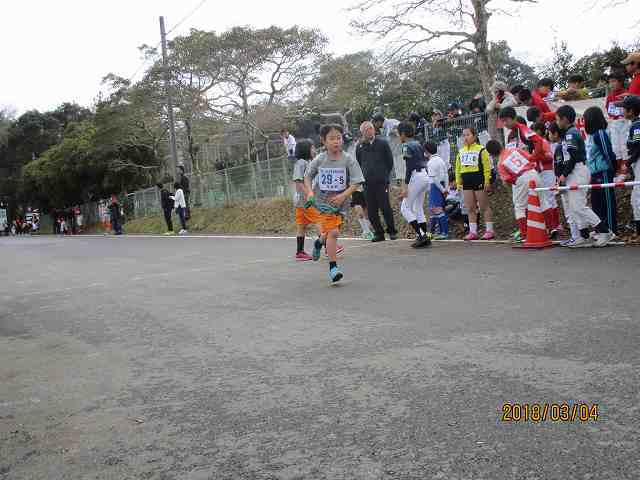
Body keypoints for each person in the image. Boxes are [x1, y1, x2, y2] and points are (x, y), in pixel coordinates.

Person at [303, 124, 365, 283]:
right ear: (324, 141)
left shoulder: (348, 159)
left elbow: (357, 181)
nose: (336, 141)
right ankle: (333, 268)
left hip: (341, 203)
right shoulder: (320, 159)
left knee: (330, 233)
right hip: (322, 203)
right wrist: (310, 192)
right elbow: (307, 177)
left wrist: (343, 195)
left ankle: (319, 242)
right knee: (334, 233)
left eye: (339, 138)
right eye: (332, 138)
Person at [555, 105, 614, 247]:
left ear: (564, 119)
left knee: (579, 206)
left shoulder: (571, 134)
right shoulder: (569, 133)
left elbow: (574, 157)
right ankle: (583, 235)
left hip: (577, 170)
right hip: (573, 171)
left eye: (558, 119)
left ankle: (605, 231)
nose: (557, 122)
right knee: (573, 206)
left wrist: (563, 174)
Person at [499, 106, 559, 236]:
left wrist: (533, 157)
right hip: (516, 172)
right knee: (527, 202)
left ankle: (545, 228)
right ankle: (534, 228)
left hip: (527, 170)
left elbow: (537, 141)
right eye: (502, 122)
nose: (505, 124)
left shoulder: (523, 129)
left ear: (512, 118)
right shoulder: (510, 135)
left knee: (536, 200)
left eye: (505, 121)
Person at [486, 140, 540, 242]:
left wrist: (511, 189)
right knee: (536, 203)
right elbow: (530, 158)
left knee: (519, 207)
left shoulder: (501, 162)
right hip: (533, 173)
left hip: (521, 178)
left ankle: (525, 234)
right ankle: (542, 229)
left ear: (491, 154)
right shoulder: (514, 150)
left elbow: (508, 180)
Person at [355, 121, 397, 242]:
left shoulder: (383, 143)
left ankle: (392, 231)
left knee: (385, 207)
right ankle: (379, 233)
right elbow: (359, 162)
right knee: (371, 209)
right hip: (367, 183)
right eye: (367, 129)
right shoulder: (360, 146)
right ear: (362, 132)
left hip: (381, 182)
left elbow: (389, 161)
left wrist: (384, 175)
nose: (370, 131)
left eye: (371, 128)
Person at [583, 106, 618, 236]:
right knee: (596, 201)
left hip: (603, 172)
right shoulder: (591, 136)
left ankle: (611, 230)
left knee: (607, 201)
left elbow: (608, 152)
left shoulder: (600, 134)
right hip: (594, 173)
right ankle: (601, 229)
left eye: (586, 119)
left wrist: (613, 169)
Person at [455, 127, 494, 240]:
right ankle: (473, 232)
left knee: (484, 206)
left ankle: (489, 230)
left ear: (474, 136)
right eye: (463, 135)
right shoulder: (460, 151)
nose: (465, 137)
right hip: (466, 181)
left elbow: (487, 167)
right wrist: (458, 183)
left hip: (478, 178)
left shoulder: (481, 149)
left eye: (468, 135)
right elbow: (458, 168)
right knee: (470, 207)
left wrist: (487, 181)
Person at [398, 121, 431, 248]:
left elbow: (409, 166)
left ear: (402, 134)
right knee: (418, 208)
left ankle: (422, 235)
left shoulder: (406, 146)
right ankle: (425, 236)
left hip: (415, 176)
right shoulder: (418, 143)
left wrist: (405, 186)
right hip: (424, 175)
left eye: (399, 134)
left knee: (405, 208)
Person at [548, 122, 578, 245]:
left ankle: (577, 235)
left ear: (555, 133)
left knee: (571, 209)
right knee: (569, 209)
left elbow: (563, 165)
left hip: (565, 180)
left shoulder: (561, 147)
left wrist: (560, 179)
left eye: (550, 133)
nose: (548, 135)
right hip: (563, 180)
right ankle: (576, 235)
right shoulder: (560, 146)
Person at [292, 139, 316, 260]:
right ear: (306, 149)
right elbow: (298, 182)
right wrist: (310, 194)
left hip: (301, 200)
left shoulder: (307, 162)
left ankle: (299, 252)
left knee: (302, 226)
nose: (314, 150)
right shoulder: (301, 163)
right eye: (312, 148)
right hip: (305, 200)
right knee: (321, 220)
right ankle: (329, 246)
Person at [622, 95, 640, 240]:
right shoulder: (634, 124)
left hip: (638, 162)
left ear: (631, 110)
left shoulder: (637, 125)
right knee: (636, 196)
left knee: (638, 197)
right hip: (636, 164)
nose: (622, 110)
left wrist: (627, 163)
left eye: (624, 108)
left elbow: (639, 147)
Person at [425, 141, 449, 239]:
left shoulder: (430, 162)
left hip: (435, 186)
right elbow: (446, 174)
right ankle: (433, 232)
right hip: (442, 184)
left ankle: (444, 233)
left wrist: (442, 189)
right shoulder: (441, 160)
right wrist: (446, 187)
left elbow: (434, 178)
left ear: (426, 152)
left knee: (436, 209)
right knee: (434, 210)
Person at [606, 71, 629, 171]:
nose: (612, 84)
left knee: (625, 146)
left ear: (620, 82)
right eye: (610, 82)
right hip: (615, 123)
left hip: (626, 122)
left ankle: (626, 169)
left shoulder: (626, 93)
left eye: (614, 81)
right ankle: (619, 170)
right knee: (615, 147)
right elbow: (609, 110)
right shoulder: (610, 96)